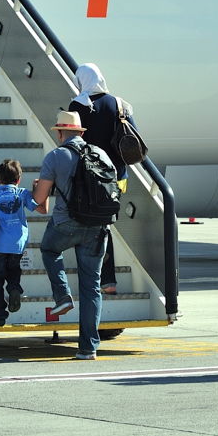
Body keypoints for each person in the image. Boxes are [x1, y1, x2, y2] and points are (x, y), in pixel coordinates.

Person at [32, 110, 114, 361]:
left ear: (59, 133)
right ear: (79, 133)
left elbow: (39, 199)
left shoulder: (56, 156)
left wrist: (36, 186)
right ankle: (88, 348)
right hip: (98, 227)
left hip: (66, 224)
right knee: (91, 288)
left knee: (49, 249)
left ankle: (63, 295)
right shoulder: (100, 153)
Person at [67, 63, 136, 295]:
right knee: (104, 225)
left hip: (89, 178)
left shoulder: (78, 106)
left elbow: (71, 143)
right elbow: (132, 136)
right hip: (117, 178)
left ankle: (95, 279)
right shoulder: (119, 104)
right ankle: (108, 282)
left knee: (88, 224)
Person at [0, 159, 39, 326]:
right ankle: (14, 288)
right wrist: (35, 190)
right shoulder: (22, 193)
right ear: (19, 179)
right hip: (17, 244)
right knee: (14, 271)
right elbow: (37, 206)